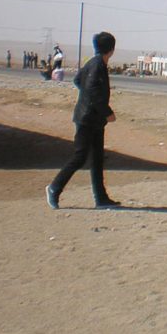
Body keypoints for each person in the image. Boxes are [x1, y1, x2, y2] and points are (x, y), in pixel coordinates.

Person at [45, 32, 120, 209]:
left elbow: (79, 80)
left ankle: (101, 198)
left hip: (94, 119)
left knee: (97, 159)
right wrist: (106, 111)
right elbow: (92, 88)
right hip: (87, 118)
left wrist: (89, 101)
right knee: (80, 156)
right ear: (111, 49)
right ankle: (54, 188)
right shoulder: (97, 65)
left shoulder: (95, 63)